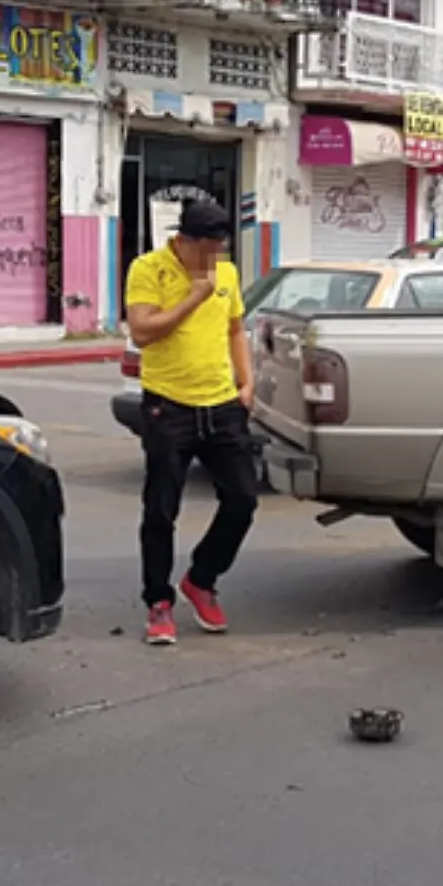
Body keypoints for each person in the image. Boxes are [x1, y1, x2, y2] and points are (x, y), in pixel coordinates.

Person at [123, 199, 258, 644]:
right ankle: (158, 603)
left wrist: (247, 381)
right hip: (169, 405)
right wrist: (193, 297)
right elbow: (142, 331)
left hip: (221, 402)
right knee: (161, 509)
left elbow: (235, 328)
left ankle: (201, 579)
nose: (216, 259)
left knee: (242, 499)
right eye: (208, 249)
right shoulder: (148, 269)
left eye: (222, 249)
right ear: (184, 241)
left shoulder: (228, 273)